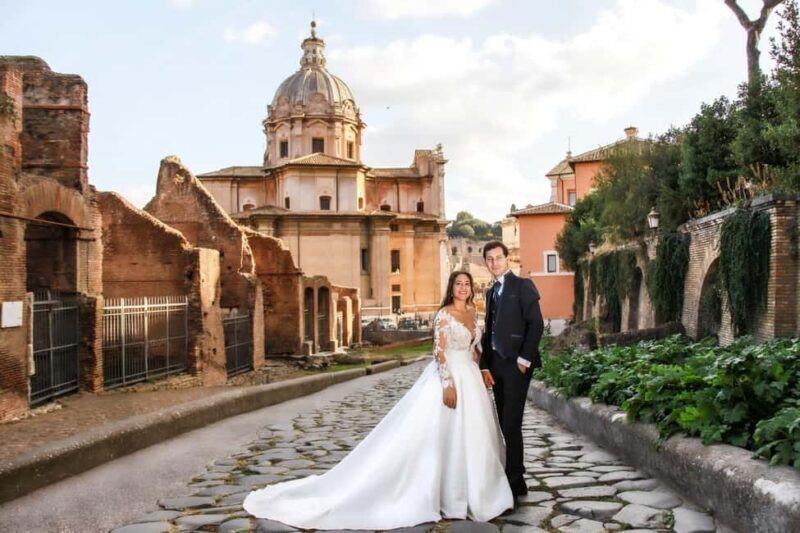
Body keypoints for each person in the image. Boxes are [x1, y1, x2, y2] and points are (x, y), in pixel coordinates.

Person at [243, 271, 513, 530]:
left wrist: (481, 368)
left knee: (472, 437)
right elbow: (439, 353)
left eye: (467, 284)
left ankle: (475, 493)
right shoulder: (444, 314)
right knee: (440, 436)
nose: (463, 288)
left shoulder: (473, 312)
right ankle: (446, 496)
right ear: (451, 289)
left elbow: (475, 348)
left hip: (471, 379)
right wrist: (448, 384)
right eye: (458, 284)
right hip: (450, 378)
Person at [480, 241, 544, 502]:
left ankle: (515, 481)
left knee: (511, 423)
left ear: (507, 259)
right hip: (496, 365)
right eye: (489, 259)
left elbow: (536, 324)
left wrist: (524, 360)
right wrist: (484, 364)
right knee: (504, 424)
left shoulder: (523, 285)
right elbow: (489, 331)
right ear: (486, 262)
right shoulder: (490, 292)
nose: (494, 263)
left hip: (516, 365)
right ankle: (515, 478)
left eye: (498, 258)